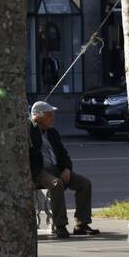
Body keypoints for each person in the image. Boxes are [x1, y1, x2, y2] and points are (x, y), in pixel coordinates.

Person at [29, 100, 100, 238]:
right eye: (49, 115)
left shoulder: (52, 132)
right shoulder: (30, 131)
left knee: (84, 183)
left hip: (56, 168)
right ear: (38, 116)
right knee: (57, 184)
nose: (53, 118)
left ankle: (81, 223)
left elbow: (63, 153)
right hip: (39, 172)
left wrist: (67, 168)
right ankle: (60, 225)